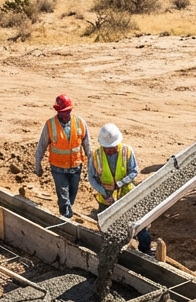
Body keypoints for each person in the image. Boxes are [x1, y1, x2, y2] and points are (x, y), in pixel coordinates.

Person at [88, 124, 152, 256]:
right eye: (107, 148)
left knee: (139, 224)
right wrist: (104, 192)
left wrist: (121, 183)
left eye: (113, 147)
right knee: (107, 227)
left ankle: (145, 249)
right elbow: (92, 178)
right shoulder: (96, 155)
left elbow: (134, 171)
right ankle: (111, 253)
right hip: (106, 199)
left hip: (127, 195)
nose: (110, 150)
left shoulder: (127, 151)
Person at [34, 94, 92, 218]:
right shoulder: (50, 125)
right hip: (58, 168)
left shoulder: (80, 122)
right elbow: (42, 145)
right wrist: (37, 164)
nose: (66, 114)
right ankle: (66, 219)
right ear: (58, 111)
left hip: (76, 167)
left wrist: (91, 164)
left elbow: (87, 144)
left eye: (68, 111)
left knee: (71, 195)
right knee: (64, 196)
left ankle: (64, 212)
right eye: (63, 112)